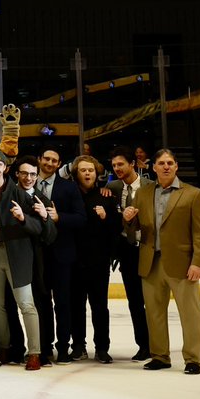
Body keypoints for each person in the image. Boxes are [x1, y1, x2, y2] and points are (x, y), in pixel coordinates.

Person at [124, 149, 200, 374]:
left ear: (176, 166)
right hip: (150, 262)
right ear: (153, 168)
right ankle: (160, 356)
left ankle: (193, 359)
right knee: (154, 313)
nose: (165, 167)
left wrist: (198, 262)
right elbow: (134, 230)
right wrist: (128, 220)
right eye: (161, 163)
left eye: (170, 163)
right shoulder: (142, 193)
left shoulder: (193, 194)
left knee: (190, 314)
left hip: (182, 263)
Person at [0, 145, 44, 370]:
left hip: (18, 253)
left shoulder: (19, 194)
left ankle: (34, 352)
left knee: (26, 303)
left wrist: (23, 217)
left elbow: (38, 227)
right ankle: (4, 346)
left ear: (5, 168)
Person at [35, 147, 84, 365]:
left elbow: (81, 219)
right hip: (37, 255)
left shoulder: (69, 187)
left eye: (54, 160)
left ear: (58, 163)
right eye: (46, 158)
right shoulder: (28, 184)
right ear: (39, 160)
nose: (49, 162)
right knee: (41, 303)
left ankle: (63, 347)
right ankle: (44, 348)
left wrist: (59, 217)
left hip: (62, 255)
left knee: (63, 303)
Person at [71, 156, 119, 364]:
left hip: (98, 262)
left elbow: (116, 229)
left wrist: (105, 217)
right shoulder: (69, 195)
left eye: (91, 170)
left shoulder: (106, 196)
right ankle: (78, 346)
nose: (88, 173)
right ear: (76, 173)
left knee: (100, 307)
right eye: (83, 170)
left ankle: (102, 347)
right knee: (76, 306)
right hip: (74, 262)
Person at [106, 146, 151, 360]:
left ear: (132, 164)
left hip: (148, 249)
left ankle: (157, 344)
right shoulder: (112, 186)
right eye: (114, 165)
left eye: (121, 164)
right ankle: (143, 345)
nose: (117, 168)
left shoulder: (150, 186)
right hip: (127, 250)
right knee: (134, 301)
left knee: (151, 300)